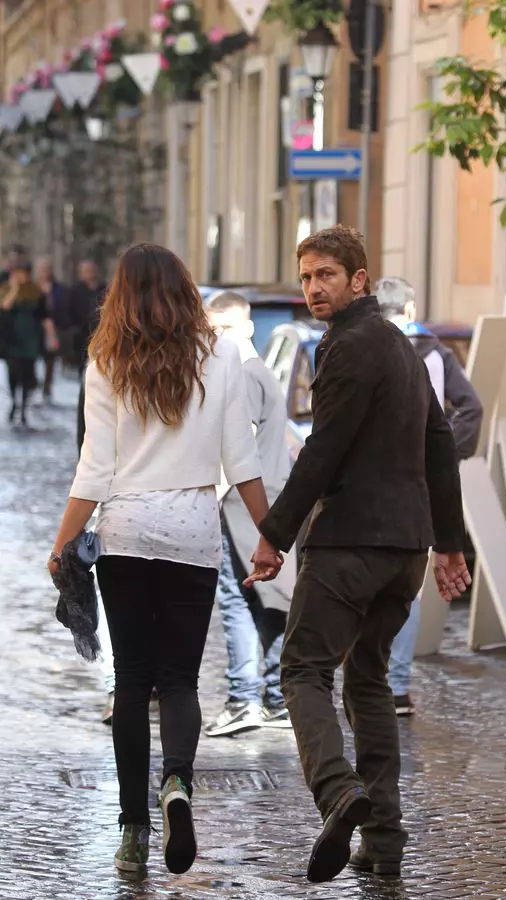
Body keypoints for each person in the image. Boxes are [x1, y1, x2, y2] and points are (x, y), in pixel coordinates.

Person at [245, 226, 470, 883]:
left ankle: (338, 792)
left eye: (326, 276)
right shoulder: (404, 348)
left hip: (350, 543)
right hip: (405, 551)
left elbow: (325, 450)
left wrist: (274, 533)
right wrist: (447, 542)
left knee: (301, 670)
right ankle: (386, 841)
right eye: (307, 277)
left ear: (359, 280)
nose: (314, 288)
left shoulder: (344, 346)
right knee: (368, 679)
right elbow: (439, 445)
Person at [48, 243, 281, 876]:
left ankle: (132, 830)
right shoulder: (224, 354)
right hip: (192, 534)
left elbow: (93, 470)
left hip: (125, 529)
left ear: (120, 294)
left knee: (133, 682)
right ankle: (176, 783)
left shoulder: (107, 360)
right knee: (179, 679)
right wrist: (270, 536)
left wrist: (63, 540)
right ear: (185, 290)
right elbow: (244, 459)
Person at [375, 275, 483, 715]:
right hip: (419, 481)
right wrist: (444, 455)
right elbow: (471, 408)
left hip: (371, 482)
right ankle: (397, 686)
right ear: (411, 310)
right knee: (408, 586)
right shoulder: (435, 353)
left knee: (365, 578)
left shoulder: (360, 347)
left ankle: (368, 676)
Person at [204, 291, 293, 736]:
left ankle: (244, 698)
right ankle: (276, 697)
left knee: (238, 599)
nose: (215, 337)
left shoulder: (243, 376)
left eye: (223, 328)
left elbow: (236, 451)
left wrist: (212, 495)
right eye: (211, 329)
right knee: (267, 600)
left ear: (246, 327)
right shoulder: (259, 372)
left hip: (242, 503)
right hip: (264, 498)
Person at [0, 260, 57, 426]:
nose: (19, 275)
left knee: (27, 373)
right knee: (12, 373)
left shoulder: (36, 291)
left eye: (22, 272)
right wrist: (15, 288)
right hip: (12, 337)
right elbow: (5, 307)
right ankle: (13, 402)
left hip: (31, 337)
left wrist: (51, 336)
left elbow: (45, 316)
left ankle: (24, 407)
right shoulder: (5, 289)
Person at [34, 256, 71, 399]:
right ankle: (33, 382)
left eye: (47, 269)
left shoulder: (59, 288)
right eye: (42, 269)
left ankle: (46, 386)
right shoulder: (32, 287)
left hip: (54, 328)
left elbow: (63, 307)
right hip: (36, 327)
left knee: (50, 357)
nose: (44, 272)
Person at [69, 259, 105, 375]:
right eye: (85, 271)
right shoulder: (75, 291)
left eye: (90, 270)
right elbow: (70, 311)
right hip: (81, 335)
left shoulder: (104, 289)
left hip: (101, 334)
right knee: (83, 367)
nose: (88, 273)